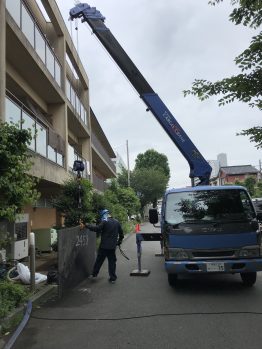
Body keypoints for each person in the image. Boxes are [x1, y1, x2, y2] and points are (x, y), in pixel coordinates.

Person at [80, 209, 124, 283]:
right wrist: (119, 242)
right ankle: (113, 278)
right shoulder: (117, 222)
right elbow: (121, 234)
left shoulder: (104, 221)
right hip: (112, 247)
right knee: (112, 262)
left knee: (99, 261)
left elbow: (97, 228)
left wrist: (86, 225)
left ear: (104, 215)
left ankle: (94, 274)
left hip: (103, 247)